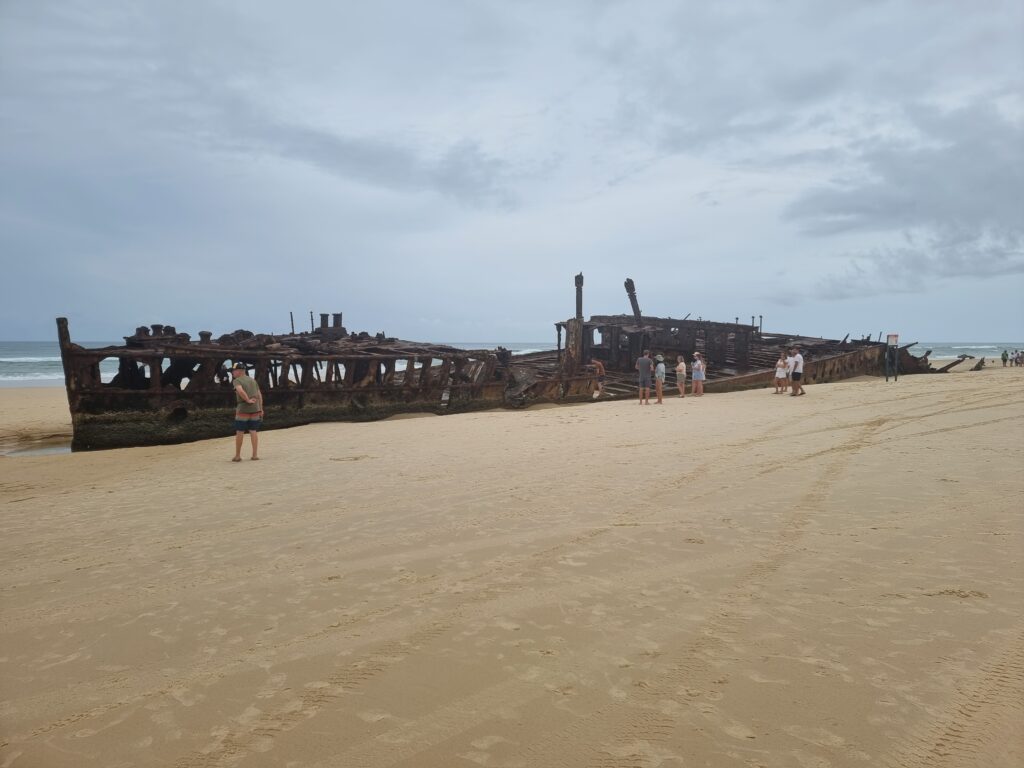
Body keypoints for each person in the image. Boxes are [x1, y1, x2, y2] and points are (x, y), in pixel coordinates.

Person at [230, 362, 263, 461]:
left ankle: (237, 456)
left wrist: (247, 400)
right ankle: (255, 455)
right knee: (253, 431)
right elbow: (259, 395)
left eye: (233, 371)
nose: (232, 373)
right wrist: (261, 408)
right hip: (255, 409)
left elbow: (240, 391)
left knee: (240, 432)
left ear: (239, 371)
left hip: (243, 409)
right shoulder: (253, 380)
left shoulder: (237, 381)